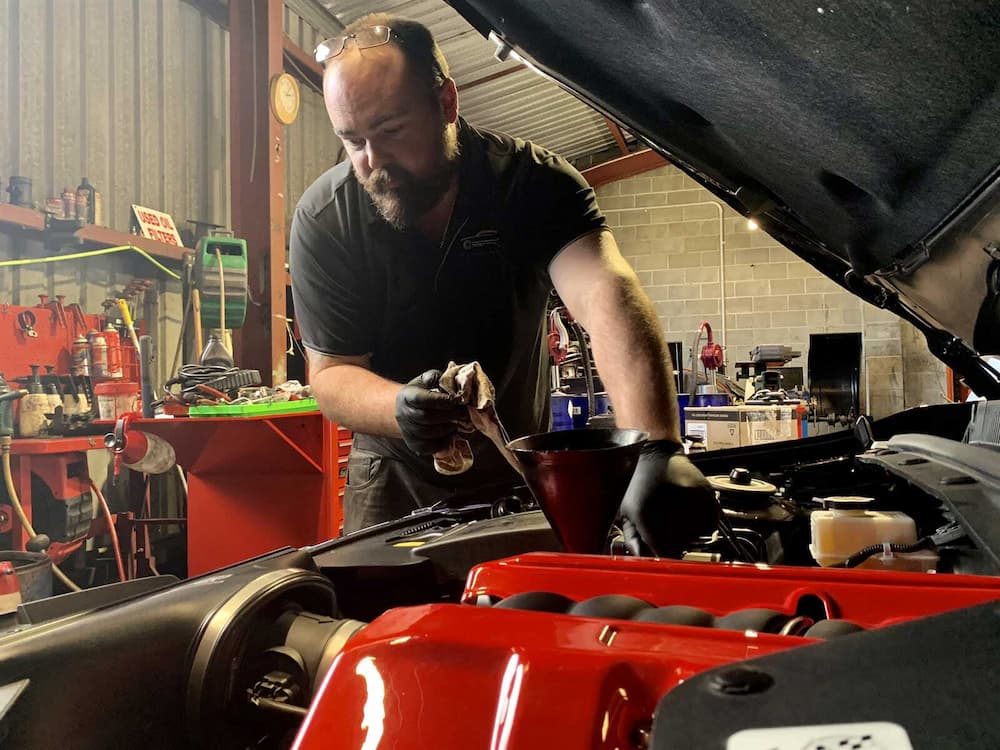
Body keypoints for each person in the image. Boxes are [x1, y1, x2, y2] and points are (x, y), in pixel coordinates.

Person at [290, 14, 717, 556]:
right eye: (353, 141)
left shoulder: (533, 185)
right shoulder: (326, 218)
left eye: (391, 130)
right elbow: (332, 373)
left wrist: (654, 449)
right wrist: (400, 407)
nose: (373, 163)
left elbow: (605, 294)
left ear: (446, 102)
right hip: (391, 480)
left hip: (519, 469)